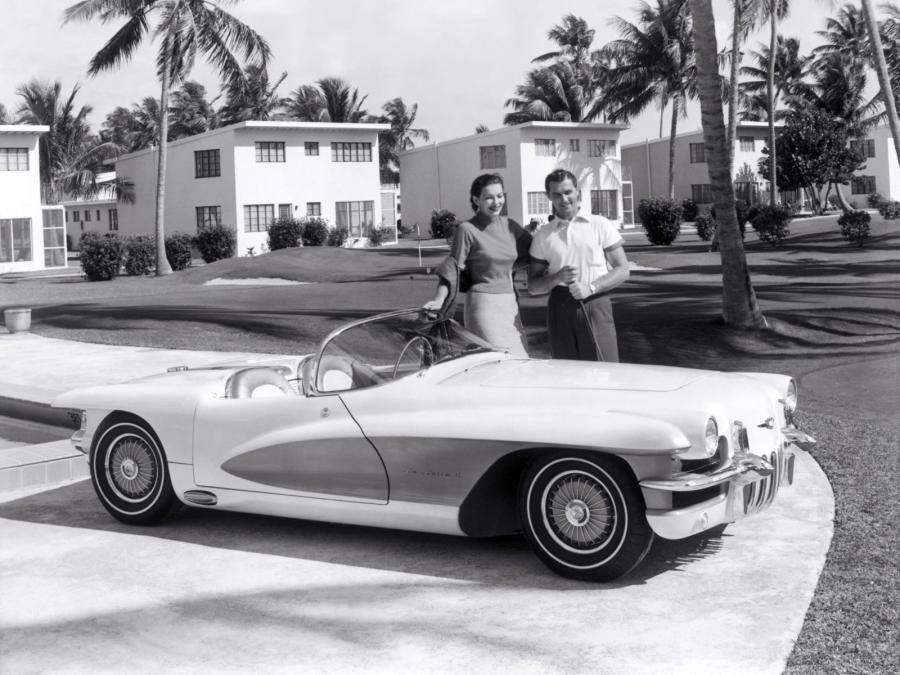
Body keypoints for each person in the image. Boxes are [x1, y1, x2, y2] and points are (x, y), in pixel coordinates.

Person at [423, 173, 531, 357]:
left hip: (509, 303)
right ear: (476, 200)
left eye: (500, 196)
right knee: (498, 361)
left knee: (521, 360)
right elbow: (452, 269)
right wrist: (439, 300)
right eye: (488, 197)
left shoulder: (511, 226)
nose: (496, 202)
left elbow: (535, 253)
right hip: (483, 305)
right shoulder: (467, 230)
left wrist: (508, 268)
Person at [527, 169, 630, 362]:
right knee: (565, 372)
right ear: (549, 196)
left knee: (604, 370)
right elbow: (532, 286)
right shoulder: (543, 235)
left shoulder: (600, 224)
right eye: (557, 194)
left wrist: (590, 288)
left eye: (568, 192)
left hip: (596, 302)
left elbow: (623, 270)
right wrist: (557, 277)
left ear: (577, 192)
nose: (563, 199)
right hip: (559, 306)